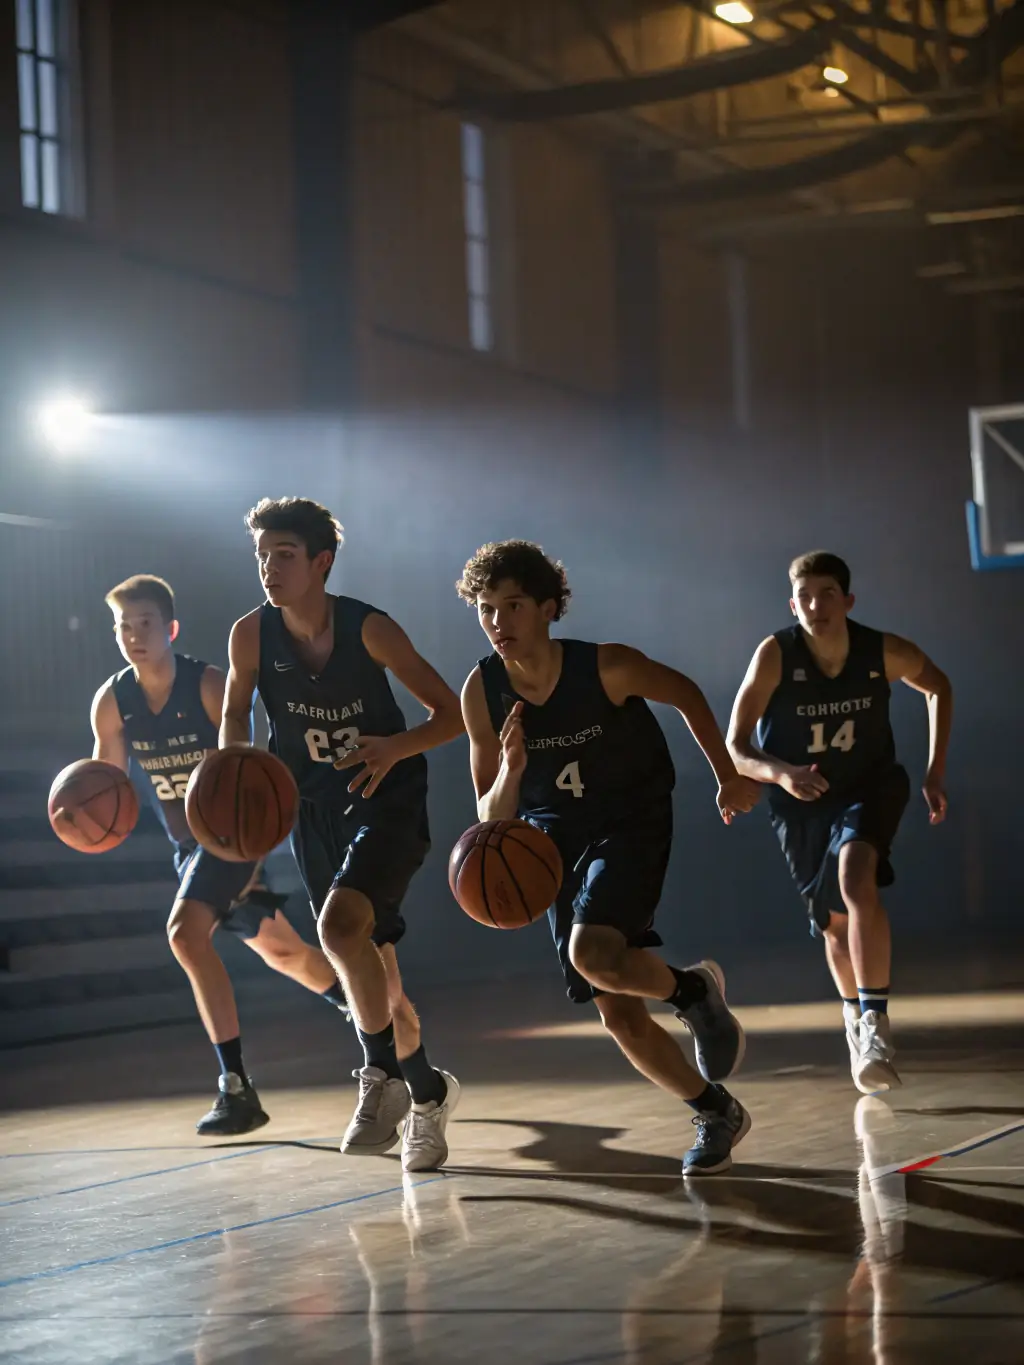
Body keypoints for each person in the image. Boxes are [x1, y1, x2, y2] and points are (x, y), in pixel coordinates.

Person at [456, 540, 760, 1175]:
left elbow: (686, 693)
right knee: (618, 1013)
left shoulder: (607, 667)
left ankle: (691, 992)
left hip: (630, 820)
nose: (497, 622)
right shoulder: (481, 690)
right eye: (486, 610)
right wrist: (512, 769)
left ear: (547, 609)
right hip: (550, 840)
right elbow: (491, 818)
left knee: (589, 953)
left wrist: (726, 775)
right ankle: (714, 1108)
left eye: (512, 606)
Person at [220, 498, 464, 1172]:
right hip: (313, 810)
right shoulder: (250, 635)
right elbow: (236, 716)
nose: (269, 568)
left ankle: (378, 1074)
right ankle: (429, 1094)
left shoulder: (370, 628)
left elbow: (450, 716)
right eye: (262, 556)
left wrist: (396, 747)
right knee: (381, 981)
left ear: (321, 562)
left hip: (386, 799)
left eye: (285, 555)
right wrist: (234, 772)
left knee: (335, 930)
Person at [91, 573, 363, 1136]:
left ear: (170, 628)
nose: (133, 635)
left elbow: (253, 773)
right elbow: (108, 786)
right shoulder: (113, 702)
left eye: (144, 624)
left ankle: (235, 1087)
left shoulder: (208, 685)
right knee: (283, 952)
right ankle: (366, 1013)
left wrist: (254, 849)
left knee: (184, 934)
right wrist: (87, 818)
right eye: (123, 626)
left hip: (235, 833)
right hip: (187, 848)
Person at [726, 550, 952, 1092]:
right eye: (805, 595)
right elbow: (735, 746)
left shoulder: (882, 650)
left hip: (869, 786)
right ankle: (855, 1019)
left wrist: (934, 772)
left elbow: (938, 686)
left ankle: (875, 1019)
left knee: (856, 879)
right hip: (799, 800)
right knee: (833, 925)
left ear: (848, 601)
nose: (815, 604)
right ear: (792, 603)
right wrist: (780, 775)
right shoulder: (776, 654)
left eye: (827, 594)